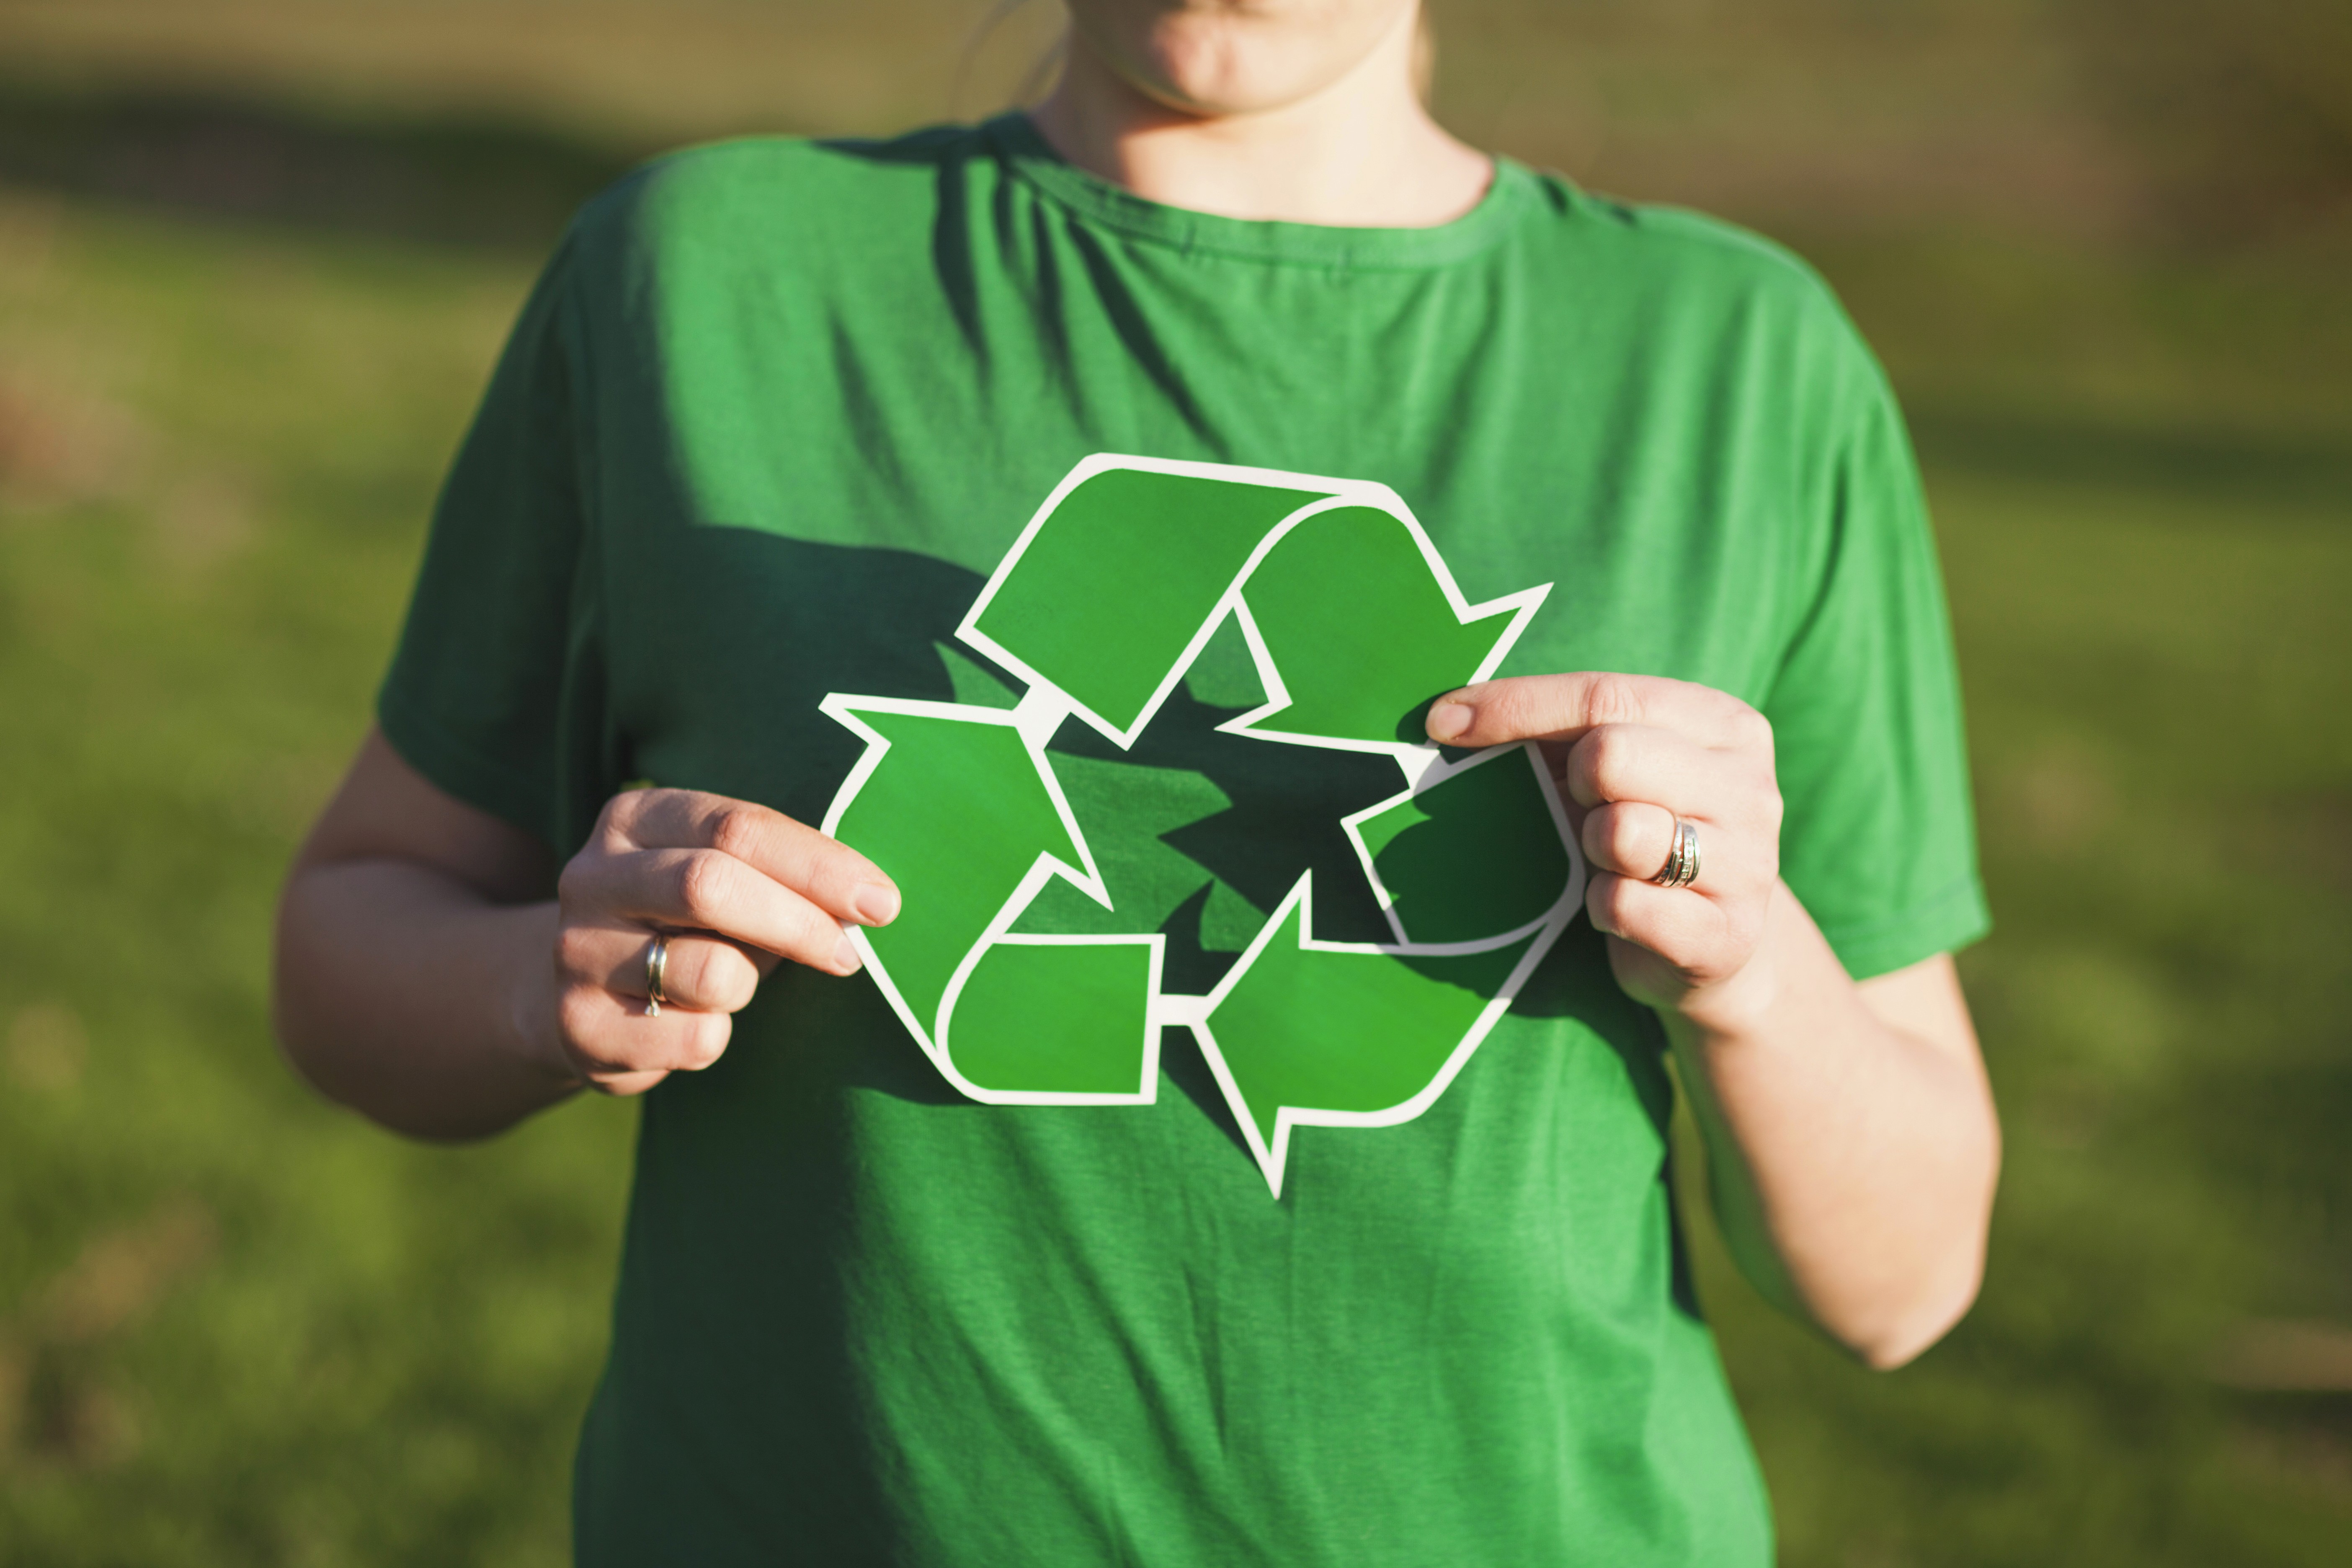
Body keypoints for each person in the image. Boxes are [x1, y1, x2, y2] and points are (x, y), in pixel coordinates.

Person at [273, 1, 2001, 1562]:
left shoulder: (1737, 365)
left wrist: (1756, 967)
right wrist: (536, 985)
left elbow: (1905, 1285)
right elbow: (350, 939)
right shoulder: (700, 279)